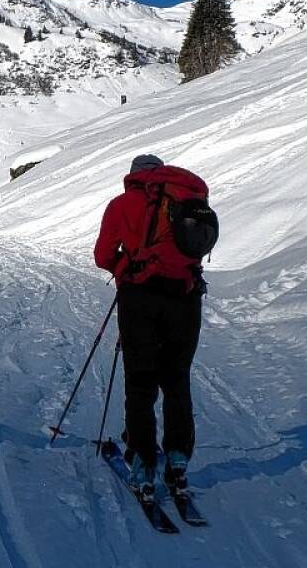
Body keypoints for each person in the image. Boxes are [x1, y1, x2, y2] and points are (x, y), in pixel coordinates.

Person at [93, 154, 206, 500]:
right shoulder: (188, 200)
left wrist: (126, 267)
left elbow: (102, 255)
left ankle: (143, 463)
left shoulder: (122, 204)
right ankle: (177, 460)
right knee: (176, 380)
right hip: (185, 298)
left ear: (133, 176)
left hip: (140, 298)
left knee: (140, 381)